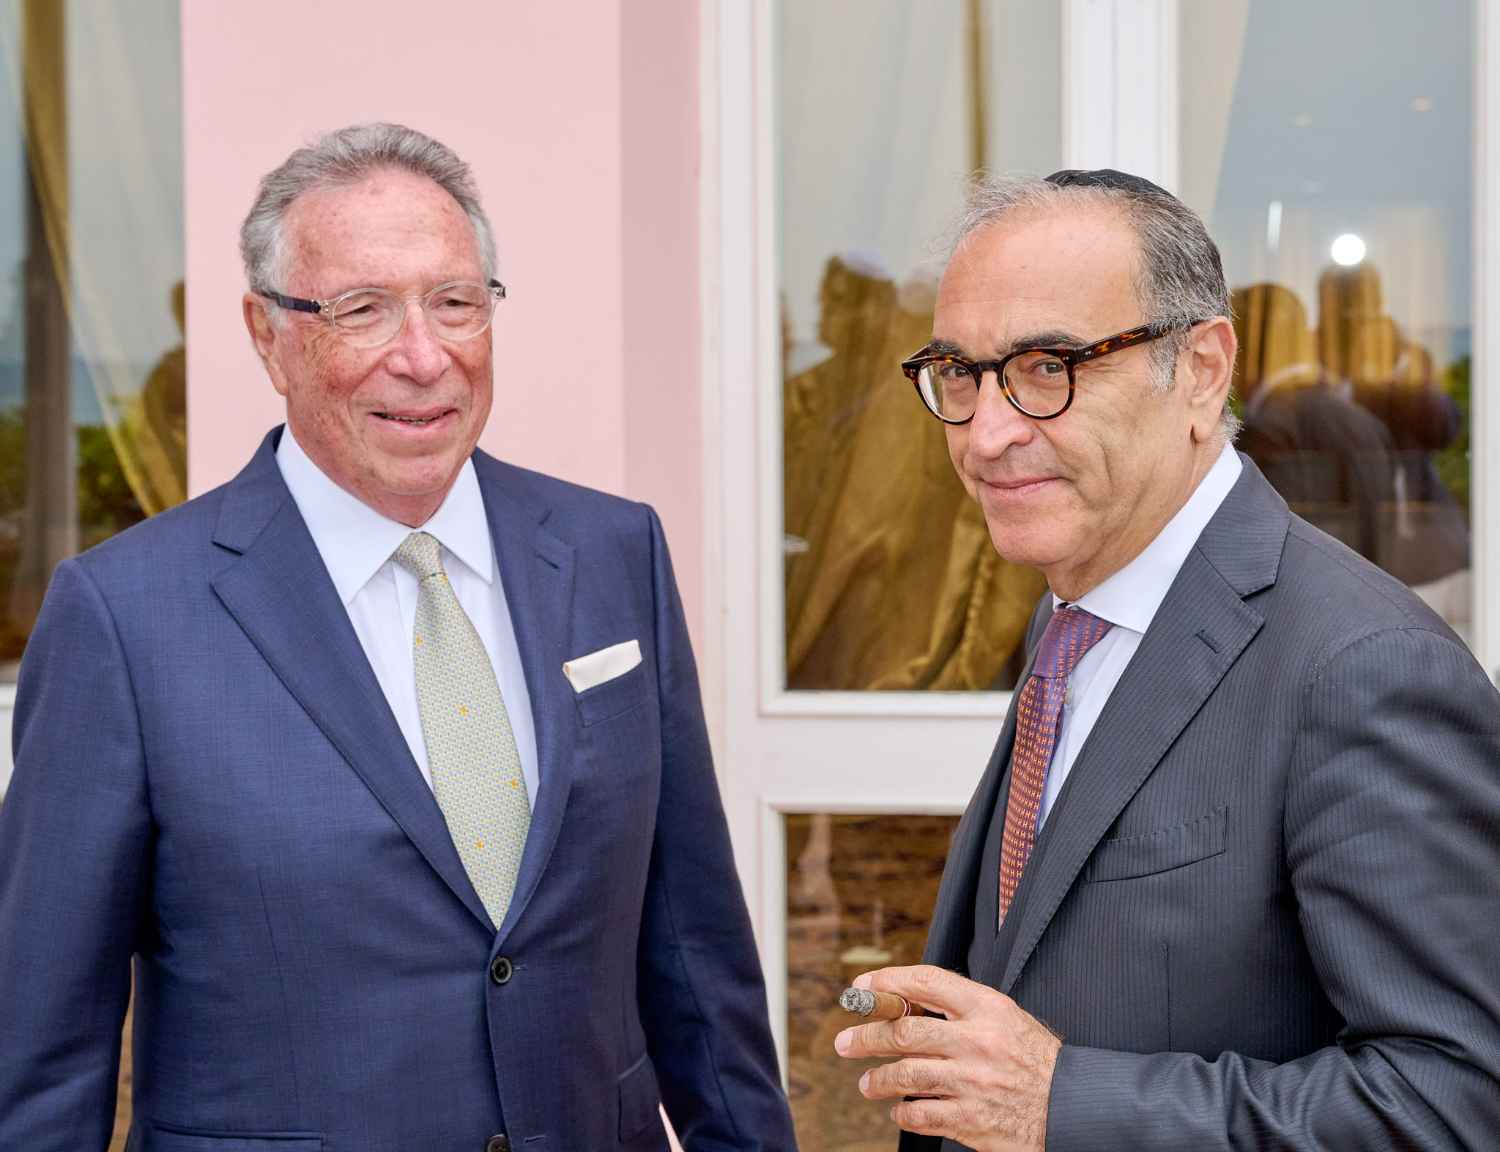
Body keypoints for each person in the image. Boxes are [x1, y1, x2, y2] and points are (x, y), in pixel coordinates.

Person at [0, 123, 796, 1152]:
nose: (424, 357)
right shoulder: (123, 617)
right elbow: (42, 1053)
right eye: (362, 310)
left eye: (455, 303)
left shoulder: (613, 553)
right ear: (266, 334)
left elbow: (695, 950)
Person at [832, 168, 1500, 1150]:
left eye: (1048, 366)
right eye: (961, 374)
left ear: (1201, 370)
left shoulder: (1367, 668)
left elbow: (1454, 1104)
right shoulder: (1075, 609)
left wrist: (1060, 1102)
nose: (988, 433)